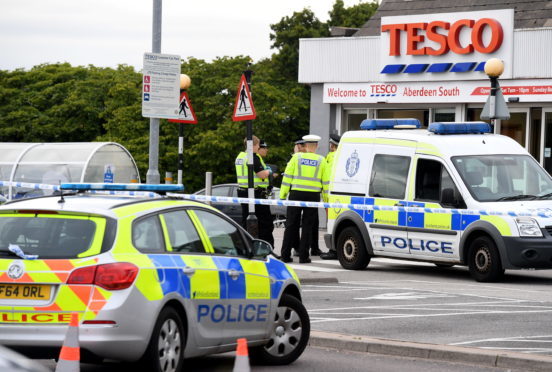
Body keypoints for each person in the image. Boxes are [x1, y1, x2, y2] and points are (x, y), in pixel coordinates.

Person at [280, 134, 329, 263]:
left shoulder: (296, 158)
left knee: (290, 224)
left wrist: (282, 194)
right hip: (313, 196)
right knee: (308, 226)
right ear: (316, 146)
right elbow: (326, 183)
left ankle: (285, 255)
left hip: (296, 194)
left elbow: (287, 177)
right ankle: (303, 256)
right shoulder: (321, 160)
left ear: (305, 146)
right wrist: (326, 199)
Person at [235, 136, 274, 247]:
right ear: (253, 145)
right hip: (255, 193)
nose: (259, 147)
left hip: (242, 191)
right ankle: (267, 247)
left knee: (246, 220)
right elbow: (261, 174)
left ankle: (246, 245)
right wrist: (268, 171)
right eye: (258, 145)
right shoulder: (253, 157)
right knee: (265, 223)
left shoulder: (240, 156)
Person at [320, 133, 341, 260]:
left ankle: (333, 250)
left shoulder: (332, 157)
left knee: (332, 223)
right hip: (334, 197)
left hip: (331, 197)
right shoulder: (339, 156)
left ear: (332, 145)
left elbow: (328, 178)